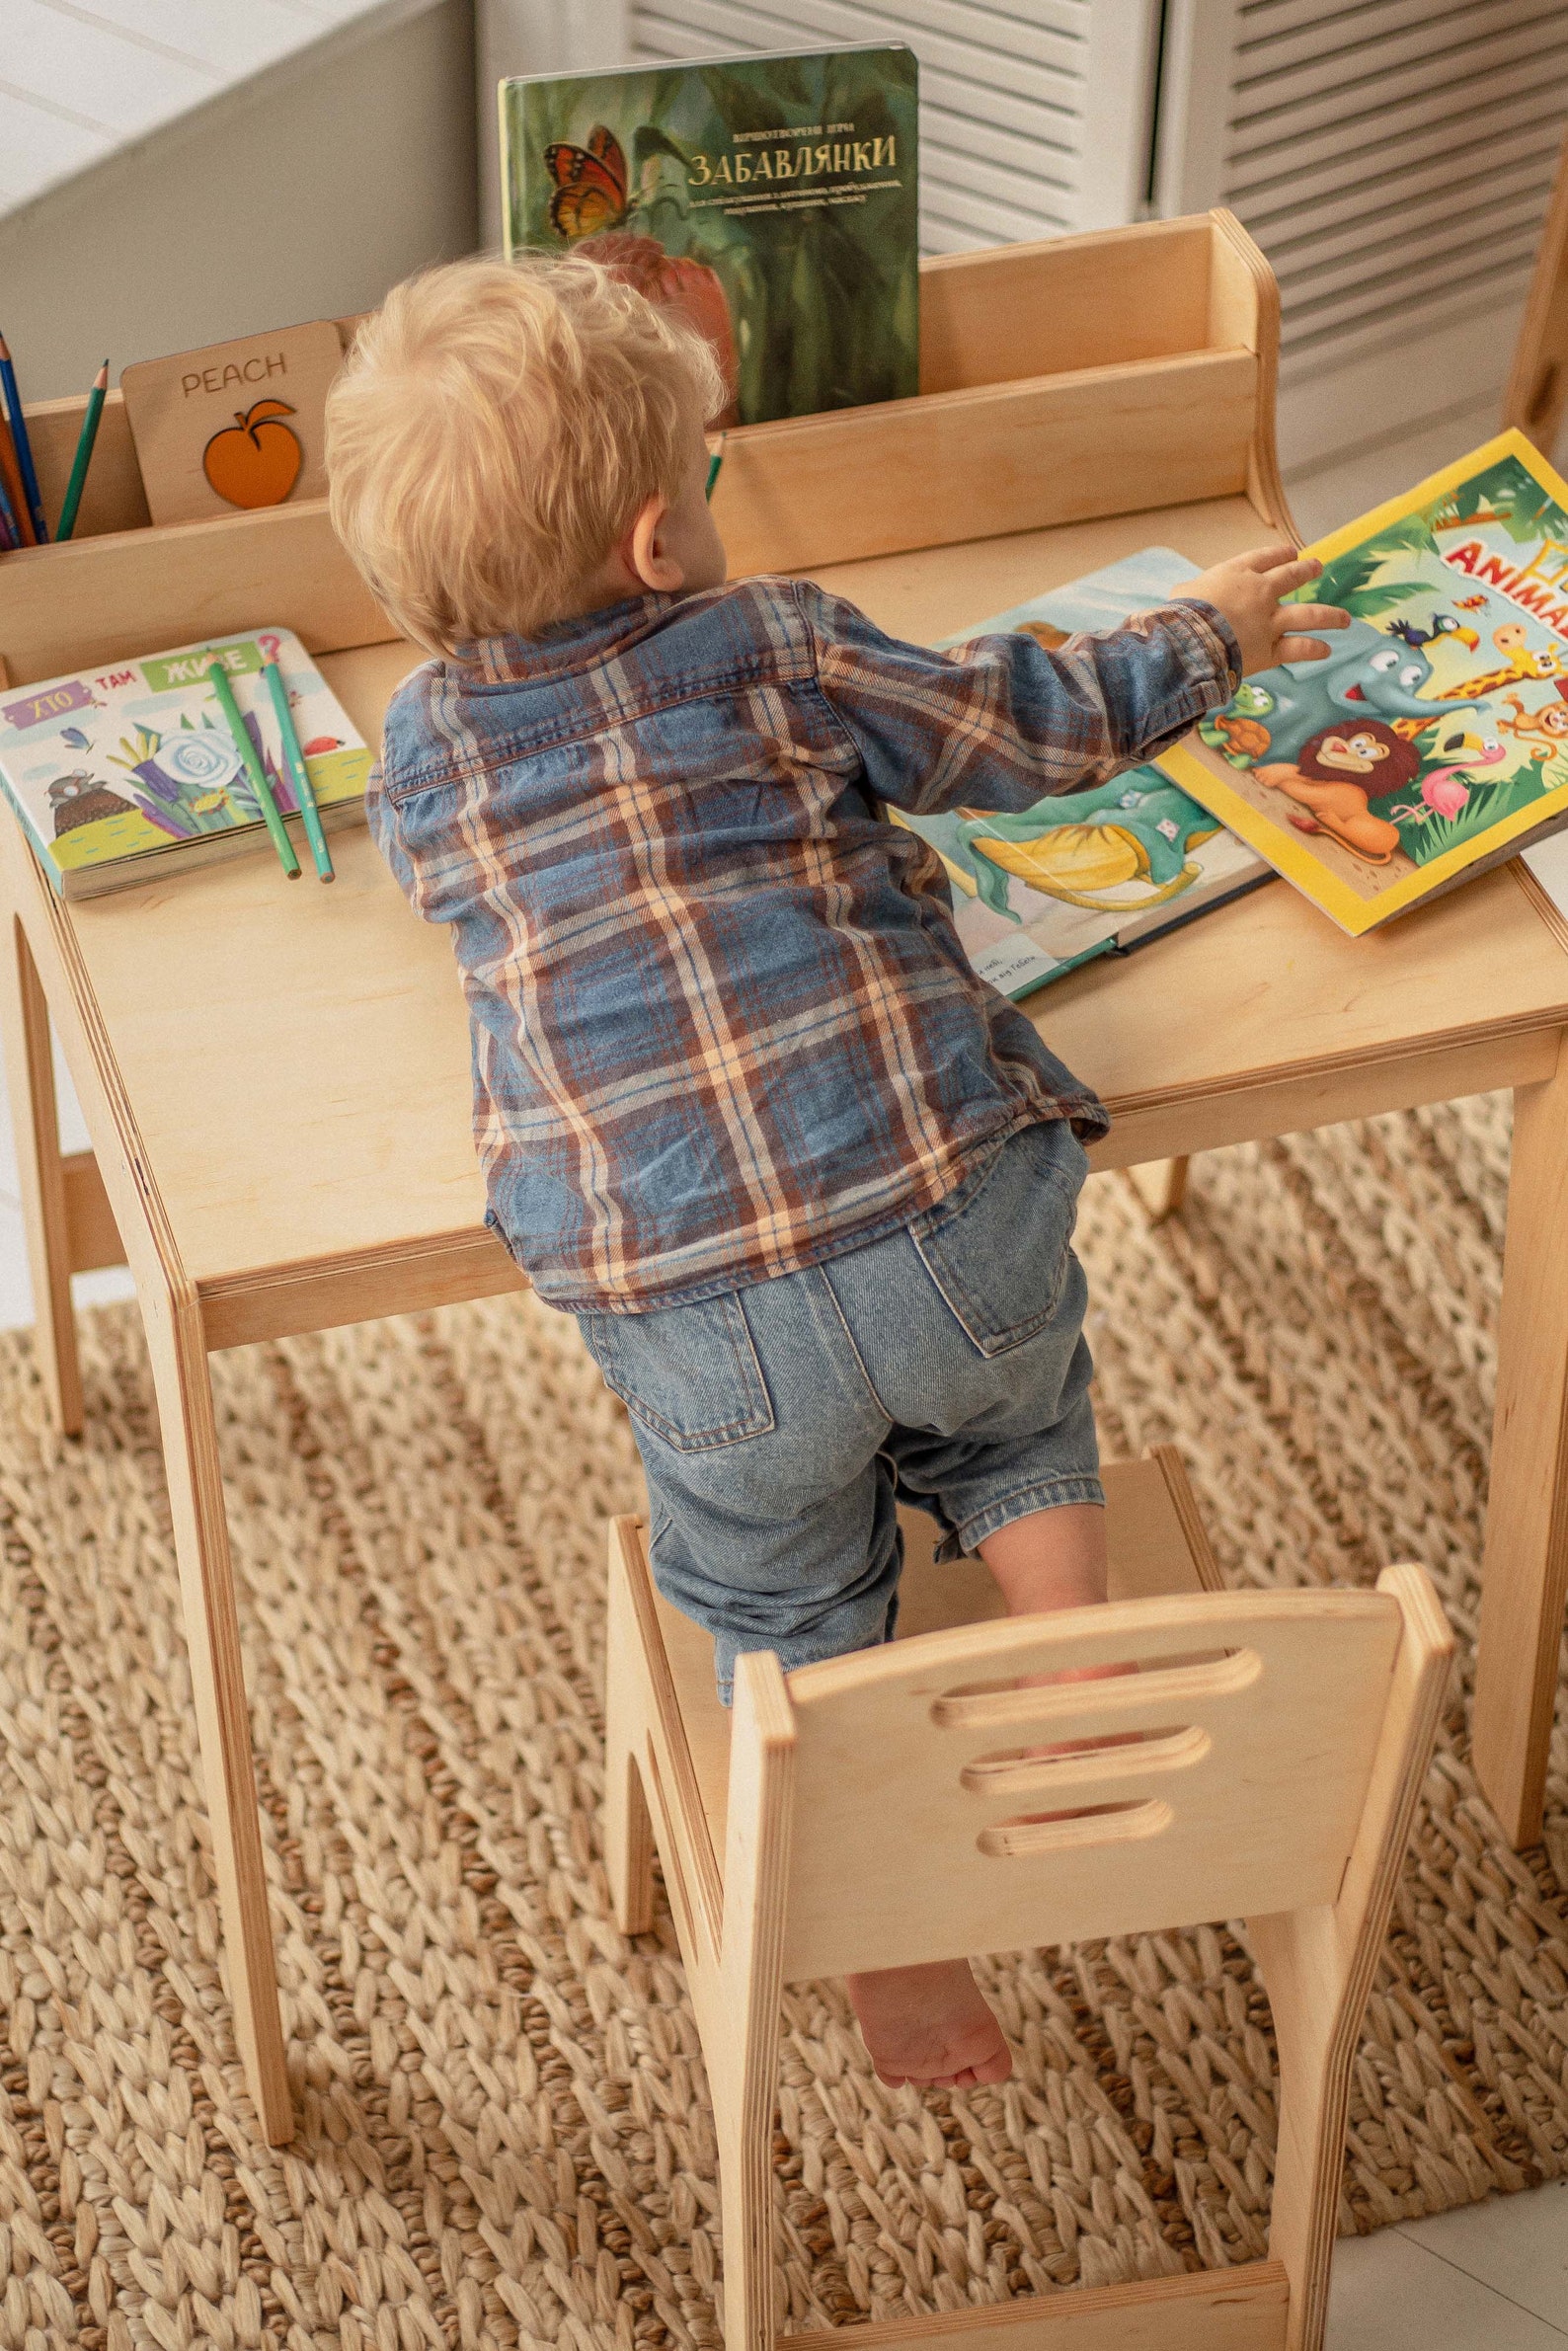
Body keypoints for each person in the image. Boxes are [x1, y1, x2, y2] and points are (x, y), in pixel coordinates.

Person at [325, 254, 1346, 2093]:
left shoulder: (420, 758)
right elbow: (1017, 735)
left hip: (698, 1322)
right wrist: (1205, 631)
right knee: (1016, 1405)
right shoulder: (777, 639)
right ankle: (1075, 1637)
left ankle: (898, 1953)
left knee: (780, 1594)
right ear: (662, 542)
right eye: (706, 477)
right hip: (946, 1211)